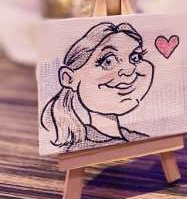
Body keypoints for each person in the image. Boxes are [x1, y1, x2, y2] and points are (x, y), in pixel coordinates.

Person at [41, 21, 154, 152]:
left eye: (135, 57)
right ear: (69, 79)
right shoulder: (83, 149)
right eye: (108, 61)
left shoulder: (136, 138)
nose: (129, 69)